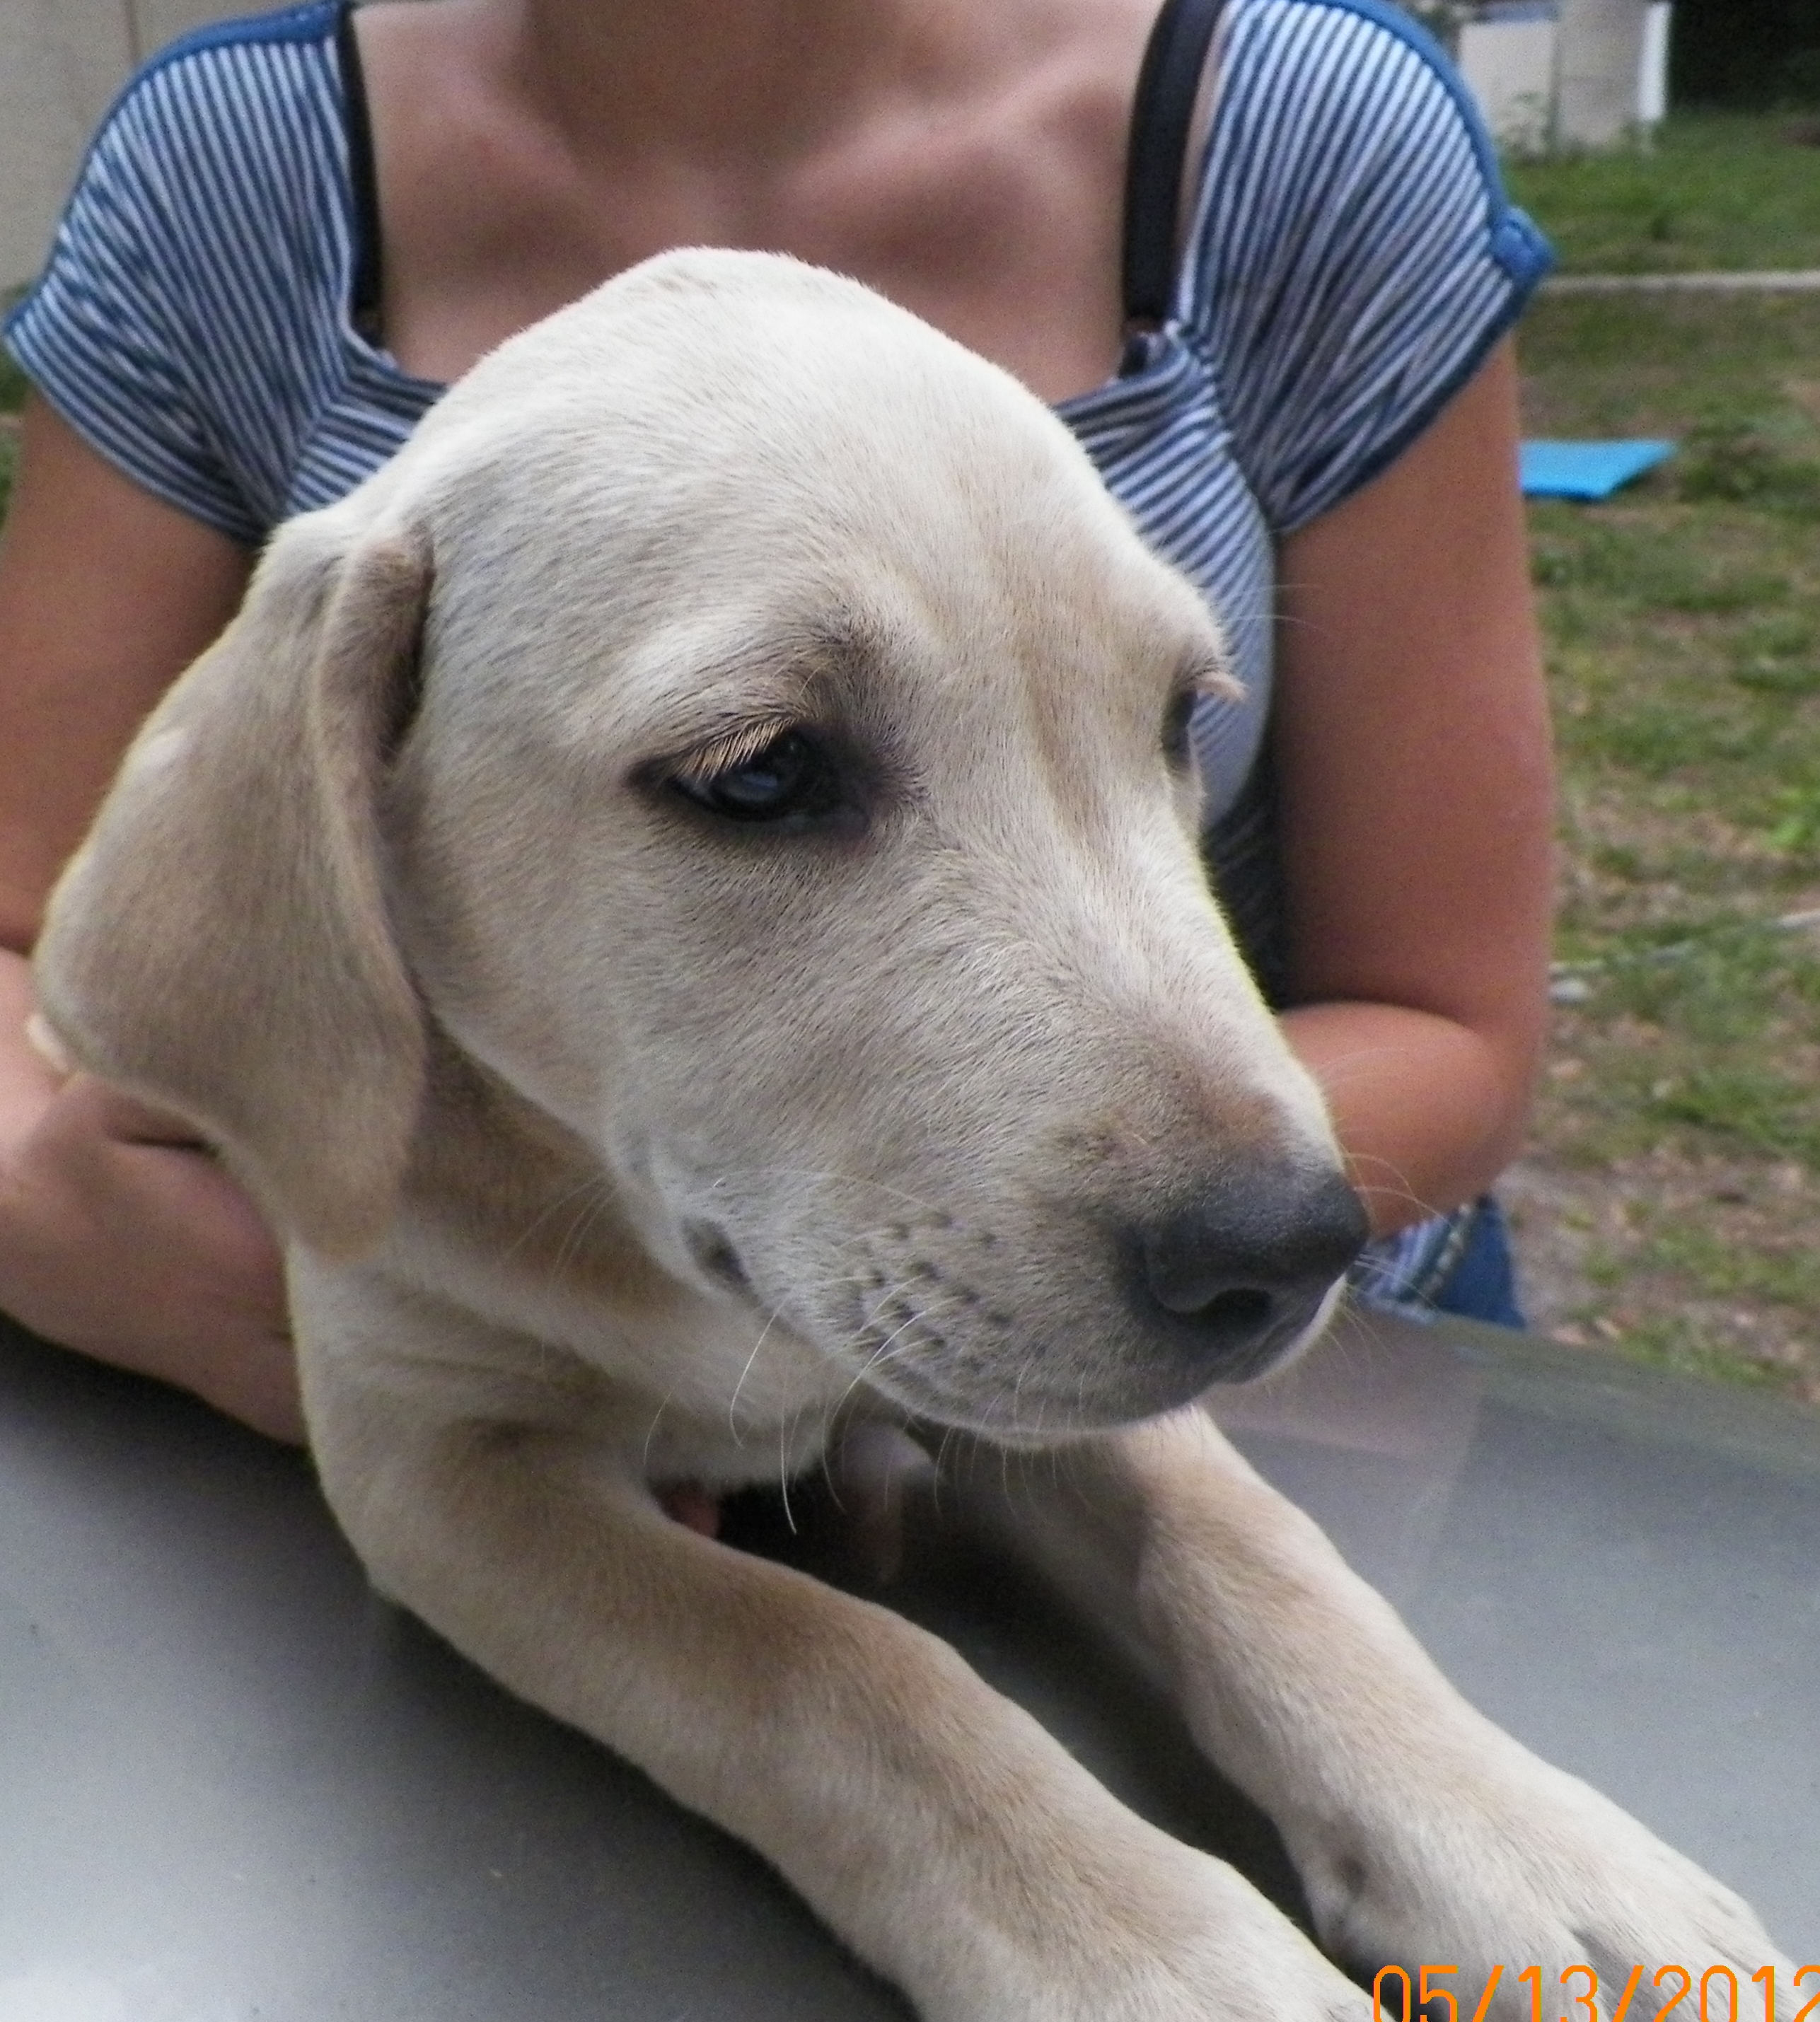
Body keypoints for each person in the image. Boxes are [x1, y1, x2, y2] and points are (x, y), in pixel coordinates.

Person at [0, 0, 1556, 1446]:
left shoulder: (1293, 136)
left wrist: (899, 1266)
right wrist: (37, 1205)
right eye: (763, 774)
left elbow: (1448, 1022)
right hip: (459, 1391)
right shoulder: (229, 172)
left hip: (1257, 1352)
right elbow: (22, 920)